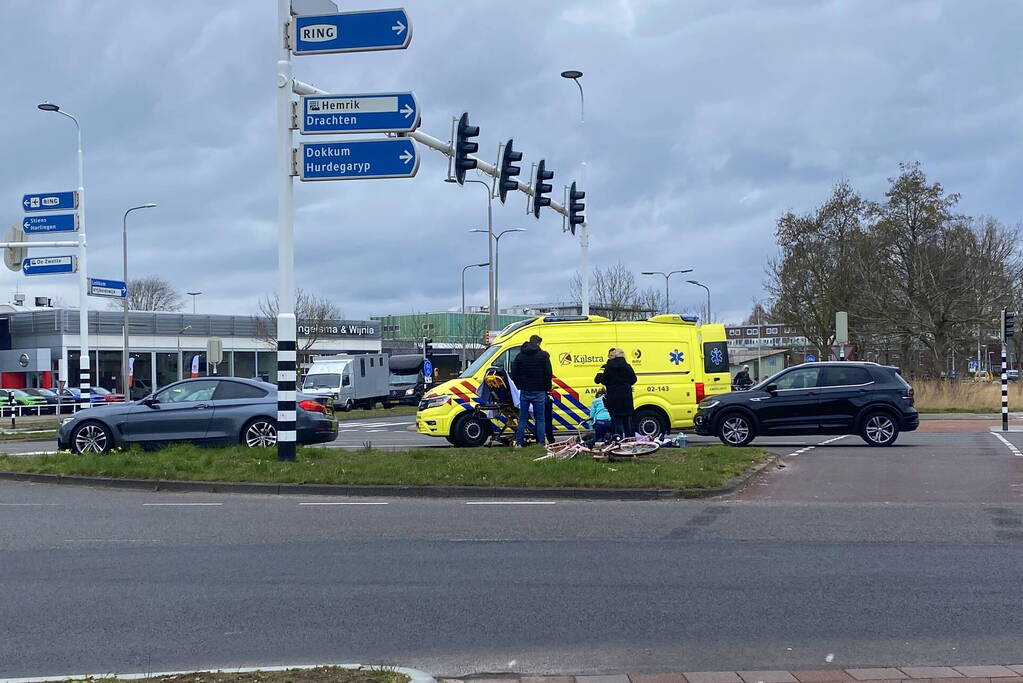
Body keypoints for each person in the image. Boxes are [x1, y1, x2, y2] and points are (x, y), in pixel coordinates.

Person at [511, 333, 553, 447]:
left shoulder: (520, 356)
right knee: (540, 419)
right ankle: (541, 443)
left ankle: (519, 443)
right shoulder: (543, 356)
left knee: (522, 418)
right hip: (539, 390)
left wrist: (519, 384)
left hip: (525, 390)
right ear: (538, 343)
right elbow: (548, 373)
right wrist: (547, 388)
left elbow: (514, 373)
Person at [597, 348, 637, 437]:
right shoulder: (627, 366)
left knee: (617, 421)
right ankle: (630, 441)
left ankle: (618, 441)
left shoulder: (608, 367)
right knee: (627, 421)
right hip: (626, 397)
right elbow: (634, 379)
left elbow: (603, 380)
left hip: (613, 397)